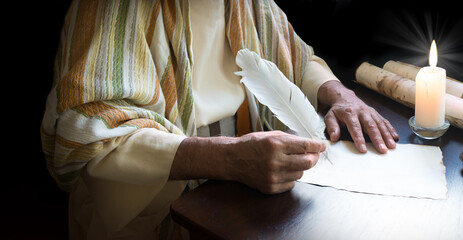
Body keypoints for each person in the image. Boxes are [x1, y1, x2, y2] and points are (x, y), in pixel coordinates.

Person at [41, 0, 398, 239]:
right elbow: (92, 136)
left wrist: (339, 93)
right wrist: (227, 158)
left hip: (256, 191)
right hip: (156, 203)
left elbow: (296, 58)